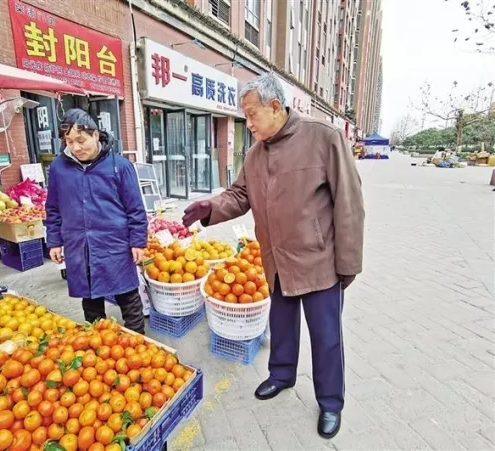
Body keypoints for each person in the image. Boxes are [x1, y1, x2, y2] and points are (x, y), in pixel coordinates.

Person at [182, 73, 365, 439]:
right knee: (281, 326)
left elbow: (350, 202)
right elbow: (238, 196)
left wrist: (348, 263)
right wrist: (210, 208)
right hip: (275, 261)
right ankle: (281, 374)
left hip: (318, 262)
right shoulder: (255, 154)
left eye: (251, 116)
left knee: (326, 337)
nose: (247, 124)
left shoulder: (323, 137)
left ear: (275, 106)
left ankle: (330, 402)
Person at [45, 108, 148, 334]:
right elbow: (52, 207)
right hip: (78, 245)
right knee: (90, 299)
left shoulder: (119, 166)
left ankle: (139, 344)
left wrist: (138, 241)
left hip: (115, 244)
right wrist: (53, 241)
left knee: (127, 296)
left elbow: (135, 208)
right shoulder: (59, 168)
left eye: (81, 140)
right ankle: (98, 344)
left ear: (95, 135)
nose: (75, 147)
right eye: (69, 141)